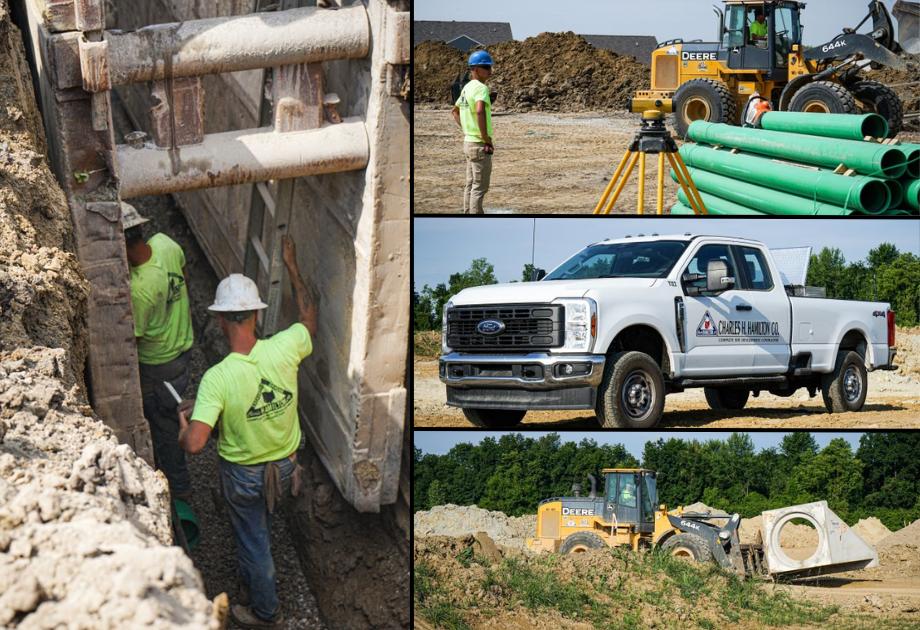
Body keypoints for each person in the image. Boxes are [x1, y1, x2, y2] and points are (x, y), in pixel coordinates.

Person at [177, 235, 317, 630]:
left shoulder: (216, 379)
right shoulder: (287, 346)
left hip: (245, 476)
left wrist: (185, 429)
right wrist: (291, 265)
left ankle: (266, 613)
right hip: (286, 469)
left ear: (221, 319)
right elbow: (309, 320)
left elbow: (197, 443)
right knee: (261, 529)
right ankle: (252, 582)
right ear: (257, 314)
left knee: (254, 543)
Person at [124, 201, 194, 500]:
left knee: (166, 429)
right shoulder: (165, 243)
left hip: (157, 367)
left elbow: (131, 341)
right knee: (173, 411)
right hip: (182, 354)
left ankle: (179, 492)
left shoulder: (139, 289)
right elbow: (184, 277)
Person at [451, 50, 495, 214]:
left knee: (470, 184)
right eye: (486, 67)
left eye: (490, 67)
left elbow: (454, 111)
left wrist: (467, 129)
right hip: (478, 145)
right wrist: (485, 138)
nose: (490, 71)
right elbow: (479, 111)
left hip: (468, 143)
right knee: (479, 188)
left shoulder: (466, 88)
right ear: (475, 69)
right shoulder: (481, 89)